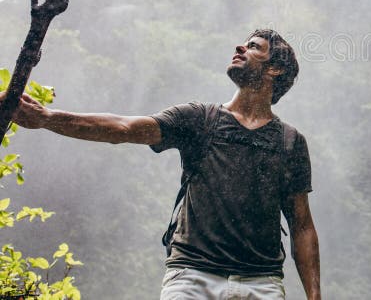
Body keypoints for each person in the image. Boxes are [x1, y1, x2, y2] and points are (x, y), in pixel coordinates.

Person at [3, 28, 321, 300]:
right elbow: (124, 129)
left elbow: (302, 226)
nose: (239, 48)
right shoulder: (200, 120)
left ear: (275, 69)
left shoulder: (290, 143)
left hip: (261, 283)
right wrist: (47, 118)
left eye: (253, 46)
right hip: (192, 278)